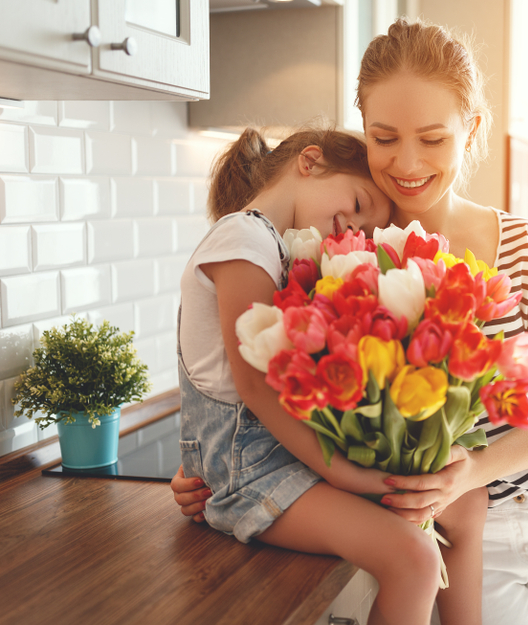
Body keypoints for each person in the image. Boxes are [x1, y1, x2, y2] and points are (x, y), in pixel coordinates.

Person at [174, 18, 528, 625]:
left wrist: (472, 472)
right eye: (384, 137)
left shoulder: (524, 244)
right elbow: (281, 384)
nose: (407, 161)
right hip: (461, 527)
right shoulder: (332, 255)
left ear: (472, 130)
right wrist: (207, 459)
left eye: (433, 138)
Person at [176, 125, 487, 625]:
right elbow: (253, 387)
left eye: (365, 228)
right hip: (253, 470)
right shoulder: (243, 236)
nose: (353, 228)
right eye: (361, 201)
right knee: (414, 559)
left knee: (467, 504)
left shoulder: (277, 246)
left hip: (284, 458)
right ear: (310, 161)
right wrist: (346, 474)